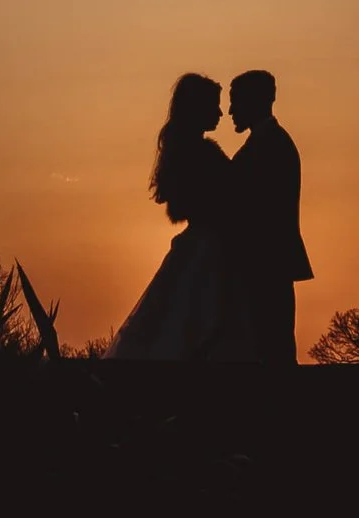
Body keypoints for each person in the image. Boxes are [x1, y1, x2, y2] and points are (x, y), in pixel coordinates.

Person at [108, 74, 232, 360]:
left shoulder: (184, 150)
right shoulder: (202, 155)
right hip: (208, 248)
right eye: (214, 106)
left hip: (198, 243)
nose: (220, 113)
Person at [219, 70, 312, 364]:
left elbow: (252, 208)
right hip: (266, 262)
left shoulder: (270, 146)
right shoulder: (268, 143)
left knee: (271, 347)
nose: (231, 111)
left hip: (266, 262)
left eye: (235, 102)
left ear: (255, 101)